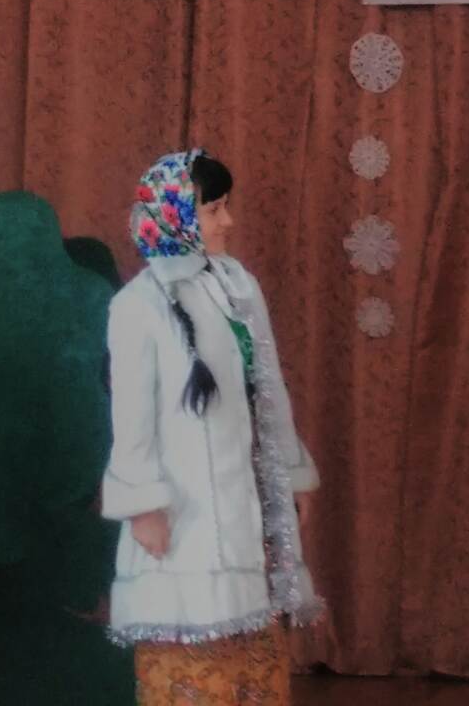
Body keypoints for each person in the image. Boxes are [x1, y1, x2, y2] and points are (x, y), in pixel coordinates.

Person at [100, 149, 322, 705]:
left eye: (226, 206)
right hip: (184, 519)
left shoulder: (238, 286)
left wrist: (291, 474)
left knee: (255, 669)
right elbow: (131, 418)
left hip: (249, 512)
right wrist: (143, 506)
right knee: (193, 671)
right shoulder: (138, 305)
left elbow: (267, 390)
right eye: (214, 209)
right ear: (174, 213)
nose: (229, 221)